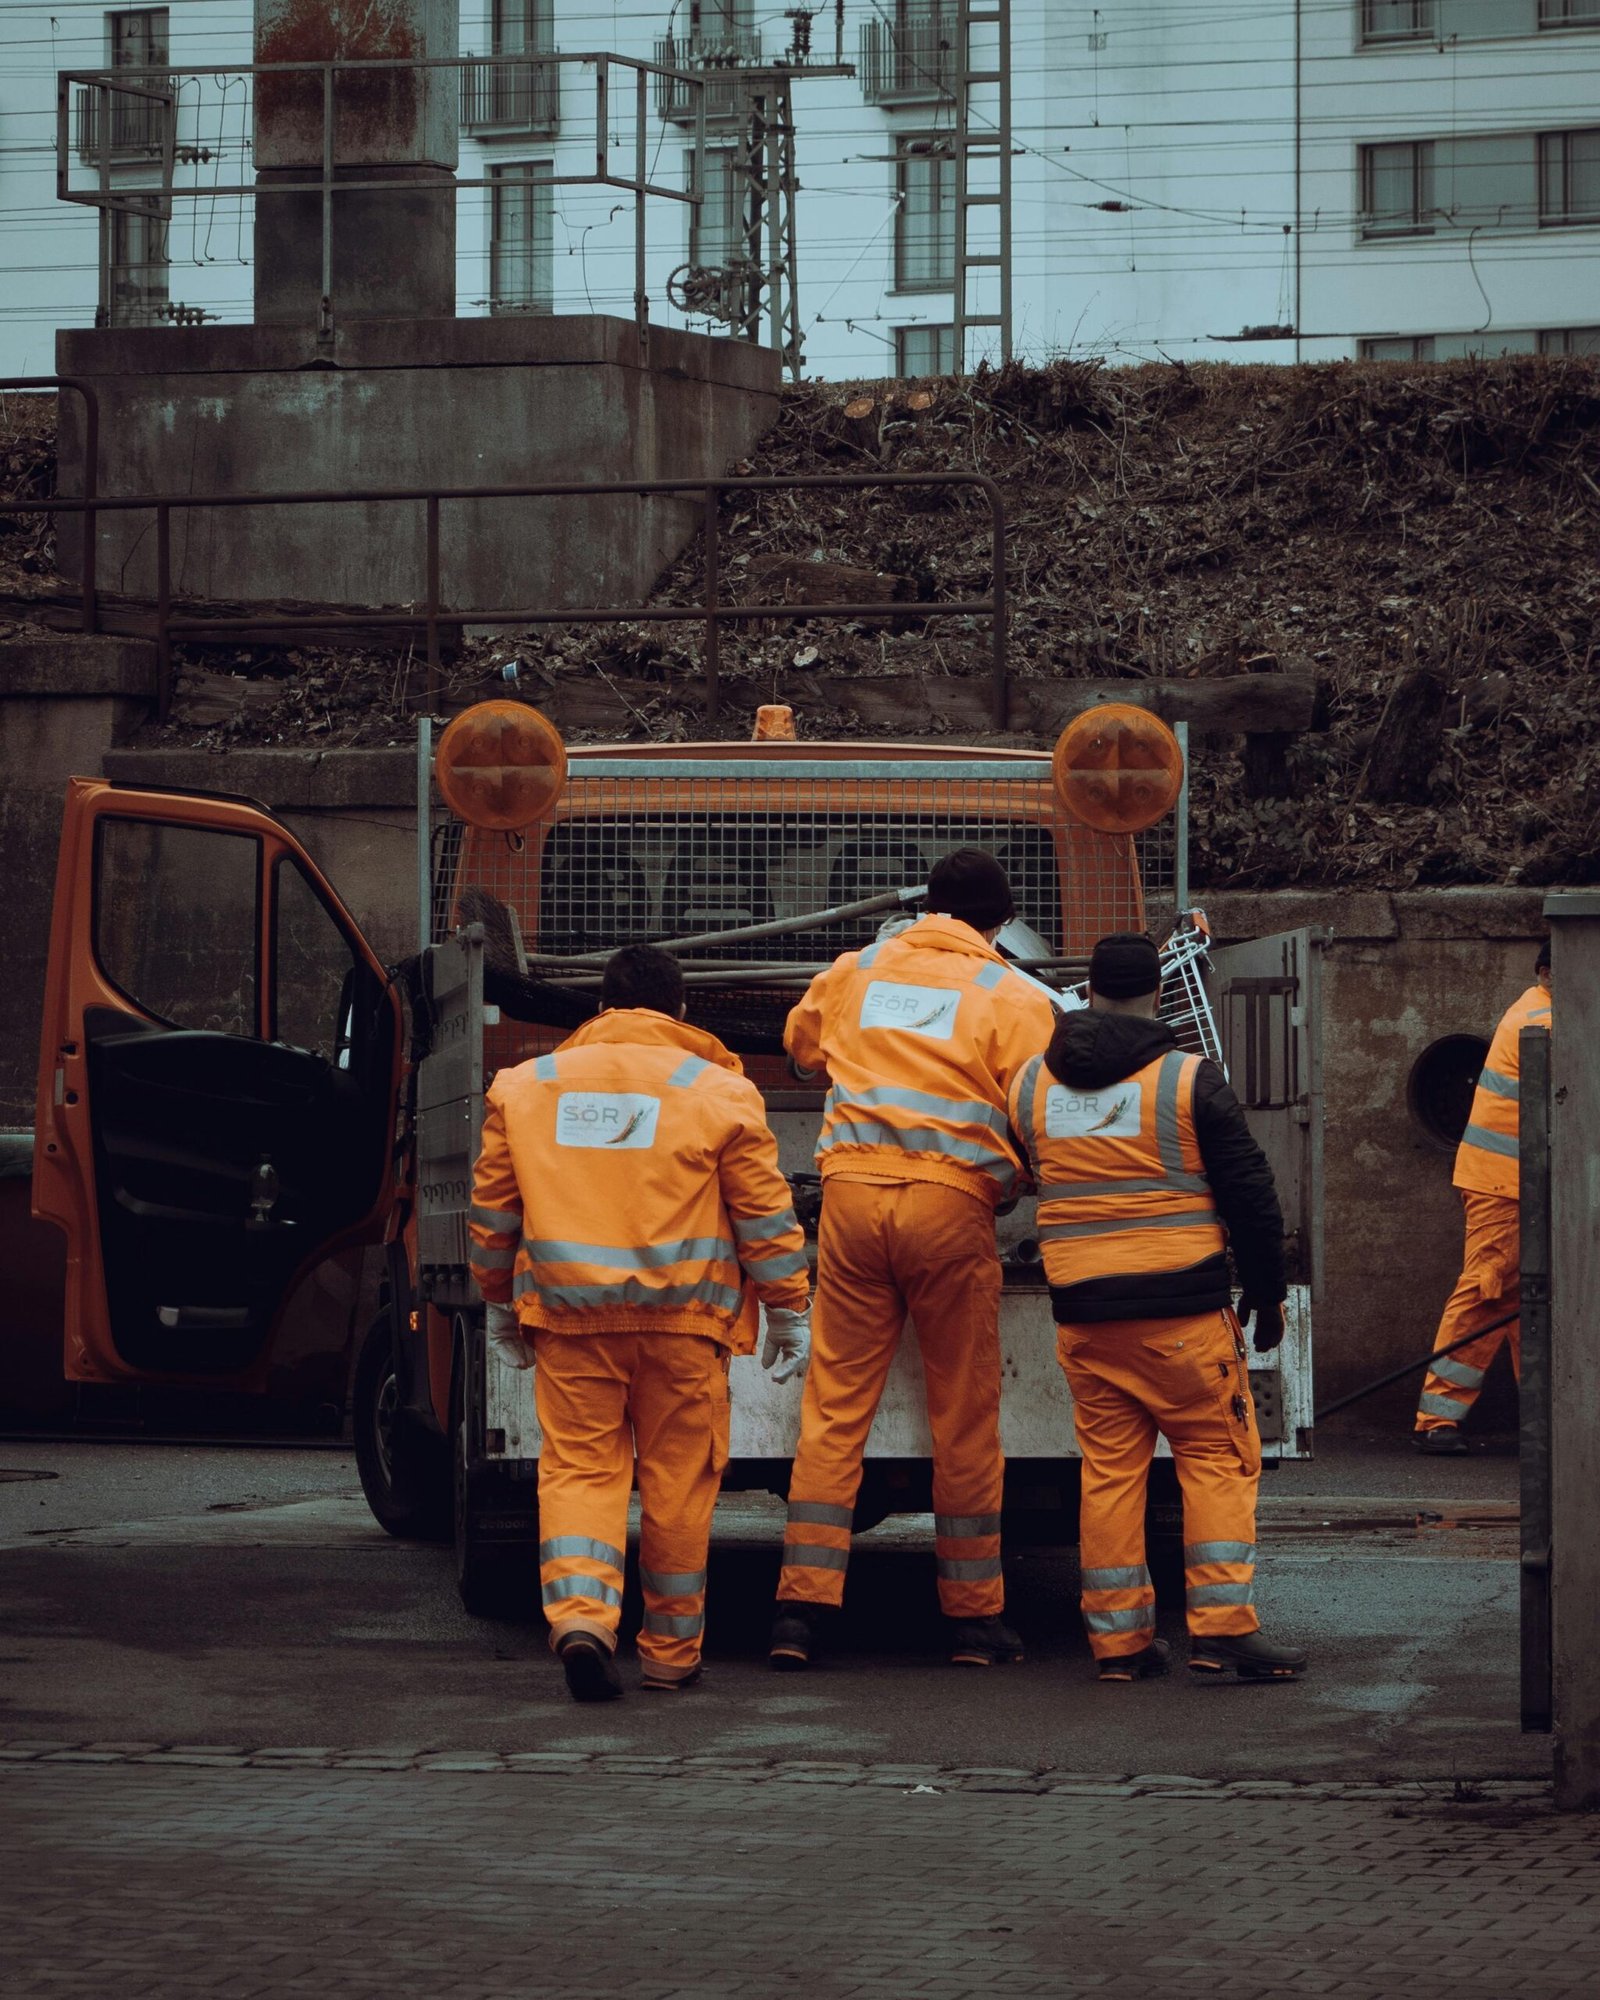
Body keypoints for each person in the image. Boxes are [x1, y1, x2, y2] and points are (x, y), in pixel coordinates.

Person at [469, 944, 812, 1703]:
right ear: (681, 1010)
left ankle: (583, 1622)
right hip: (684, 1324)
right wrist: (788, 1307)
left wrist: (496, 1299)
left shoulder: (526, 1088)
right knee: (679, 1484)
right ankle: (670, 1654)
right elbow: (764, 1216)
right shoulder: (720, 1090)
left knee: (582, 1473)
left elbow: (494, 1213)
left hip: (570, 1320)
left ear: (601, 1008)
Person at [769, 849, 1058, 1671]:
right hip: (950, 1209)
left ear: (928, 906)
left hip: (852, 1204)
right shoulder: (1014, 994)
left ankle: (799, 1611)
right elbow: (1037, 1113)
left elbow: (800, 1049)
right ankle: (973, 1619)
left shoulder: (858, 968)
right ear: (1000, 924)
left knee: (833, 1411)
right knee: (963, 1416)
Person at [1010, 931, 1307, 1684]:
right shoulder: (1188, 1080)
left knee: (1110, 1474)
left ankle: (1119, 1643)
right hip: (1179, 1314)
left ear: (1088, 990)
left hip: (1083, 1317)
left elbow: (1023, 1172)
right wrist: (1267, 1293)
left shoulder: (1027, 1085)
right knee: (1216, 1458)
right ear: (1155, 993)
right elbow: (1250, 1192)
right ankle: (1223, 1628)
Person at [1412, 941, 1552, 1455]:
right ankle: (1437, 1417)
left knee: (1519, 1297)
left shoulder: (1541, 1010)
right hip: (1505, 1182)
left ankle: (1541, 1415)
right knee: (1488, 1291)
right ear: (1548, 972)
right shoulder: (1544, 1018)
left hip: (1512, 1180)